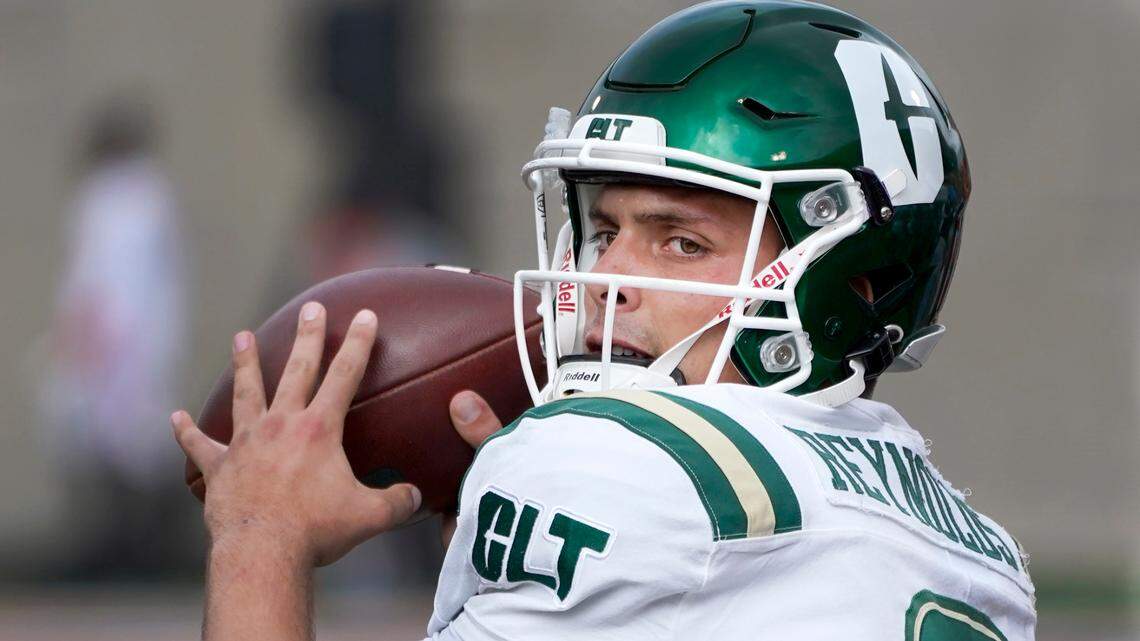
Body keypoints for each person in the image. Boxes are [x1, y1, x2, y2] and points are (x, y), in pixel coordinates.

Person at [172, 2, 1037, 639]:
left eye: (682, 243)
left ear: (848, 281)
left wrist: (260, 539)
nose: (606, 278)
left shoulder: (605, 461)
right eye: (606, 230)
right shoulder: (984, 553)